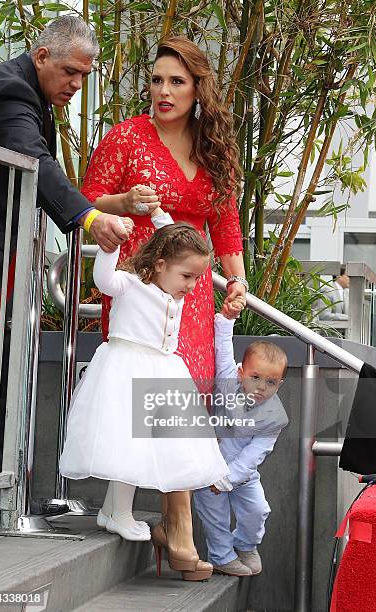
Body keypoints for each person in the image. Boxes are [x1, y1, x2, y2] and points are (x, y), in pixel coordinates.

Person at [79, 35, 247, 563]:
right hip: (139, 280)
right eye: (156, 80)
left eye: (177, 81)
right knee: (145, 391)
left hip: (192, 291)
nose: (164, 91)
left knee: (181, 399)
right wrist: (125, 200)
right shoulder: (127, 137)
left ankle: (175, 524)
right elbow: (84, 196)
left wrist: (236, 279)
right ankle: (177, 527)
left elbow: (225, 221)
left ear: (199, 88)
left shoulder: (212, 145)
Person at [0, 15, 127, 515]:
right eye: (69, 72)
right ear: (41, 57)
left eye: (85, 75)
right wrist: (87, 216)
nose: (77, 85)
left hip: (3, 254)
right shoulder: (9, 94)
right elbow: (35, 162)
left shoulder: (30, 92)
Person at [59, 209, 230, 581]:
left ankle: (111, 510)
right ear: (161, 264)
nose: (191, 286)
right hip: (127, 365)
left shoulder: (173, 289)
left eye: (196, 278)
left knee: (142, 444)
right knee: (128, 441)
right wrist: (112, 242)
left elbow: (169, 233)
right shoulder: (133, 283)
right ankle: (119, 513)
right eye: (187, 276)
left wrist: (156, 214)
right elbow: (103, 279)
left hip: (163, 368)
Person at [193, 300, 289, 577]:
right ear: (240, 373)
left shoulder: (275, 417)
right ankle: (221, 555)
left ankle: (245, 544)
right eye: (255, 377)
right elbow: (223, 351)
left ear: (279, 384)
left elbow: (254, 455)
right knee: (215, 516)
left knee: (258, 510)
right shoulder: (228, 380)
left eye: (270, 382)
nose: (260, 387)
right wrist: (225, 320)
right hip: (209, 468)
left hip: (242, 474)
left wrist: (228, 479)